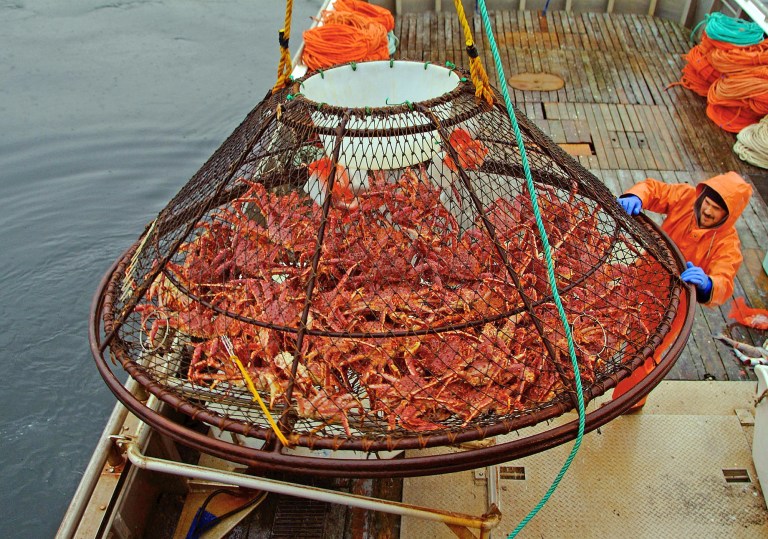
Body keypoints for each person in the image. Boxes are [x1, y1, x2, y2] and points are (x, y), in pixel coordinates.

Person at [612, 171, 753, 408]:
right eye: (707, 203)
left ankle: (625, 404)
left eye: (716, 209)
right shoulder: (686, 197)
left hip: (674, 305)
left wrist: (708, 284)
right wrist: (636, 196)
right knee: (607, 321)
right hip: (643, 276)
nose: (708, 211)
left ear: (728, 216)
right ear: (701, 197)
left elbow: (724, 280)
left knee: (645, 354)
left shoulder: (728, 244)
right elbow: (654, 189)